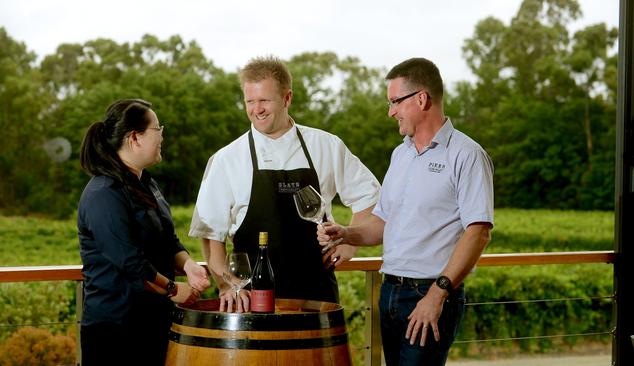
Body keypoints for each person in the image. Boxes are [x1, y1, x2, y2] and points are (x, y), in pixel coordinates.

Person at [318, 58, 494, 366]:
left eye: (395, 102)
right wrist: (346, 232)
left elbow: (478, 233)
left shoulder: (467, 155)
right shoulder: (400, 154)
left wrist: (437, 295)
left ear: (421, 99)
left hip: (430, 292)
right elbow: (383, 223)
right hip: (390, 292)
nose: (391, 111)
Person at [189, 56, 380, 311]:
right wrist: (227, 285)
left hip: (316, 295)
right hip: (252, 300)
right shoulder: (227, 159)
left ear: (287, 98)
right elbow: (211, 234)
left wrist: (350, 242)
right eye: (250, 101)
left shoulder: (326, 146)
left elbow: (371, 197)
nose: (257, 109)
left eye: (265, 100)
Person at [77, 99, 211, 365]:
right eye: (158, 128)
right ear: (135, 138)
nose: (162, 135)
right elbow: (130, 262)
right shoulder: (103, 193)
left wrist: (189, 264)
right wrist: (174, 290)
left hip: (155, 323)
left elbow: (167, 239)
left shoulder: (147, 183)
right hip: (116, 330)